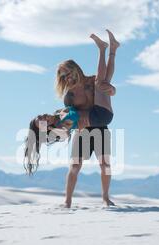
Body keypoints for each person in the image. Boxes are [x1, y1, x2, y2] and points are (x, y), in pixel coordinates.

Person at [24, 29, 120, 208]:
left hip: (100, 126)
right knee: (75, 166)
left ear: (76, 69)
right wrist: (64, 127)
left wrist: (113, 90)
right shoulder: (69, 96)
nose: (67, 78)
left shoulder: (93, 81)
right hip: (83, 130)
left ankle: (106, 198)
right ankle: (67, 201)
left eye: (68, 73)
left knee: (105, 164)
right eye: (63, 76)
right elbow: (70, 118)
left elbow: (108, 86)